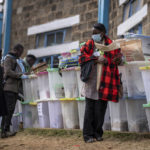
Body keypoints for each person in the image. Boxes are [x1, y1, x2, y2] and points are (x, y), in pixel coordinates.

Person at [79, 23, 122, 143]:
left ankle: (98, 133)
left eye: (95, 33)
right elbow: (81, 58)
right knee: (89, 110)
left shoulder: (111, 44)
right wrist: (96, 58)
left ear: (102, 33)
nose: (93, 35)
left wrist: (118, 59)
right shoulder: (89, 44)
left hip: (105, 82)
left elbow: (118, 59)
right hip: (92, 82)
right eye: (92, 33)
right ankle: (87, 135)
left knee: (100, 111)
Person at [1, 44, 24, 138]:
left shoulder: (15, 59)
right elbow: (8, 71)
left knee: (10, 111)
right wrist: (19, 75)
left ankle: (6, 131)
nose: (21, 54)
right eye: (20, 52)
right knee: (8, 110)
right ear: (16, 50)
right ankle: (4, 131)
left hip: (14, 89)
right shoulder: (8, 58)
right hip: (9, 88)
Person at [0, 49, 8, 138]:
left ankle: (3, 132)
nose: (1, 56)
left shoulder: (1, 68)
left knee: (3, 112)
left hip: (1, 91)